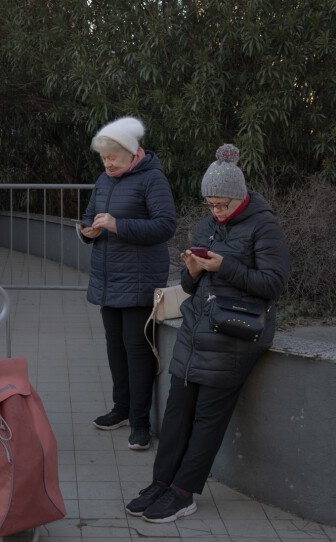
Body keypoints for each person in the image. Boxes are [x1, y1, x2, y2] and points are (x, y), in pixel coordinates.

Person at [125, 143, 290, 522]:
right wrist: (194, 270)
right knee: (176, 413)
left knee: (207, 421)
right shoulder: (207, 226)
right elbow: (189, 282)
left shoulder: (264, 226)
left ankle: (183, 493)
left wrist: (224, 265)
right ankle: (161, 482)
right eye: (210, 205)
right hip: (197, 328)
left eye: (221, 205)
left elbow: (273, 283)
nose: (215, 211)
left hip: (234, 334)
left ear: (239, 196)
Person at [79, 116, 177, 451]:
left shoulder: (152, 179)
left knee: (138, 354)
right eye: (103, 157)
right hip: (108, 280)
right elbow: (90, 214)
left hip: (139, 281)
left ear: (131, 152)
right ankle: (120, 410)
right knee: (115, 349)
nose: (107, 162)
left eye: (112, 157)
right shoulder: (104, 180)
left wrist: (120, 226)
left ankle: (140, 422)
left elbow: (166, 226)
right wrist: (86, 231)